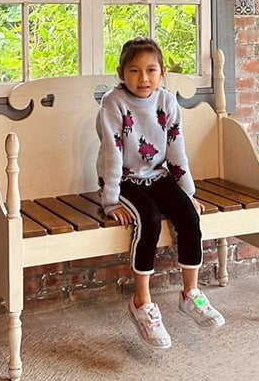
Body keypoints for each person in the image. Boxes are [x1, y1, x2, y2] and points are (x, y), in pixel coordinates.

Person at [96, 37, 225, 349]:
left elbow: (177, 151)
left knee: (189, 215)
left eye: (151, 70)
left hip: (157, 176)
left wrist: (187, 193)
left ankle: (190, 293)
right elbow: (112, 153)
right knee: (150, 220)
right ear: (121, 73)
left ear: (162, 72)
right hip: (124, 180)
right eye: (134, 71)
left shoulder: (167, 102)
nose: (143, 78)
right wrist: (110, 200)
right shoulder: (114, 103)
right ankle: (141, 302)